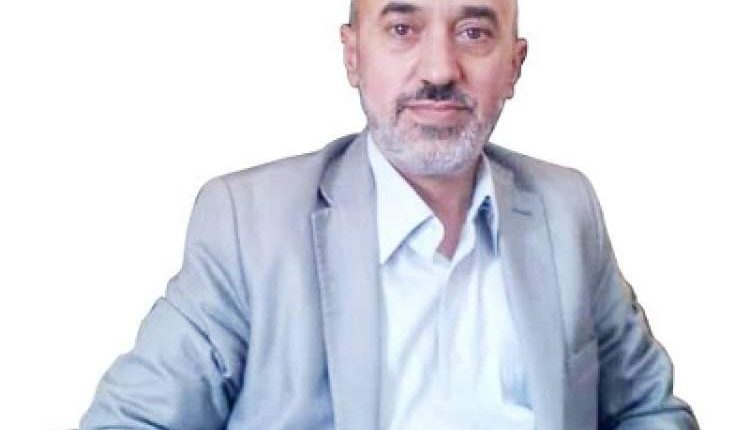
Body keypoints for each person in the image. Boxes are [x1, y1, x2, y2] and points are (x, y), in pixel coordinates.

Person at [80, 0, 698, 429]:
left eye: (474, 32)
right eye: (403, 28)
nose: (439, 70)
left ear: (515, 64)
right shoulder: (250, 225)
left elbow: (648, 411)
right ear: (353, 56)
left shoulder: (567, 210)